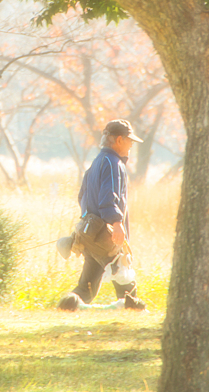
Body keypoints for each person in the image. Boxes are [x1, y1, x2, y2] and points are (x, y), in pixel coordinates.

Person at [58, 119, 147, 311]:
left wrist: (89, 226)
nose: (132, 145)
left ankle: (66, 308)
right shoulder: (113, 163)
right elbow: (109, 197)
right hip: (105, 237)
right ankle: (135, 314)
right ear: (118, 140)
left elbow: (81, 196)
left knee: (86, 288)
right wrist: (116, 223)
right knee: (126, 281)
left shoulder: (97, 162)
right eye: (129, 140)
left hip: (90, 236)